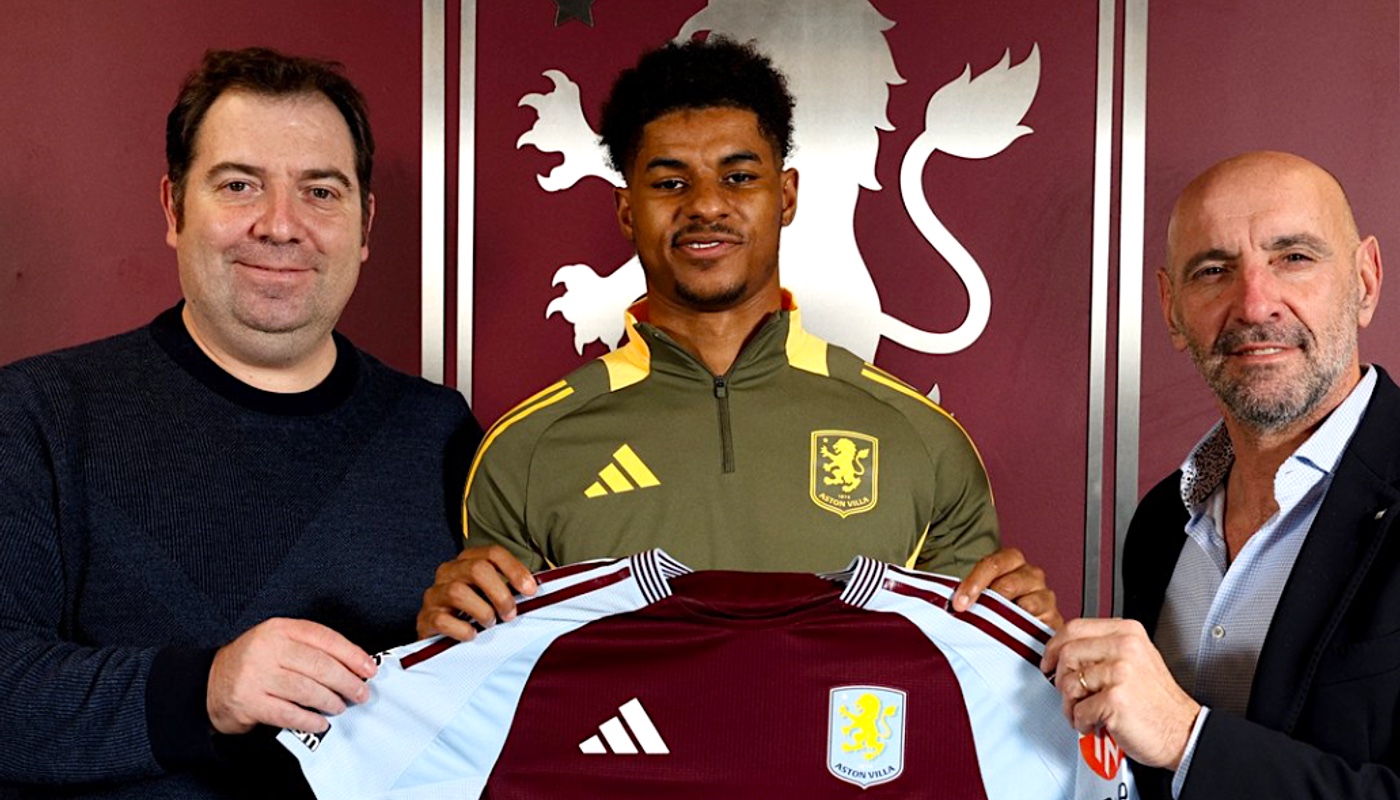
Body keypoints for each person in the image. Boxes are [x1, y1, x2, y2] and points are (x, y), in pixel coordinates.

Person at [417, 37, 1058, 643]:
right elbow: (498, 695)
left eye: (738, 177)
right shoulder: (527, 450)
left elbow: (966, 684)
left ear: (786, 196)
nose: (705, 206)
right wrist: (452, 640)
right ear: (624, 210)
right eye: (670, 182)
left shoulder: (924, 440)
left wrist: (1023, 634)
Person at [0, 48, 479, 798]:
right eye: (239, 185)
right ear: (174, 208)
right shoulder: (38, 414)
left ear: (364, 225)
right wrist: (205, 690)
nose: (280, 226)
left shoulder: (439, 431)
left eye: (320, 191)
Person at [1043, 150, 1397, 798]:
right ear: (1172, 308)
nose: (1255, 303)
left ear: (1366, 282)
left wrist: (1189, 739)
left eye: (1294, 257)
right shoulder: (1160, 525)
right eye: (1214, 270)